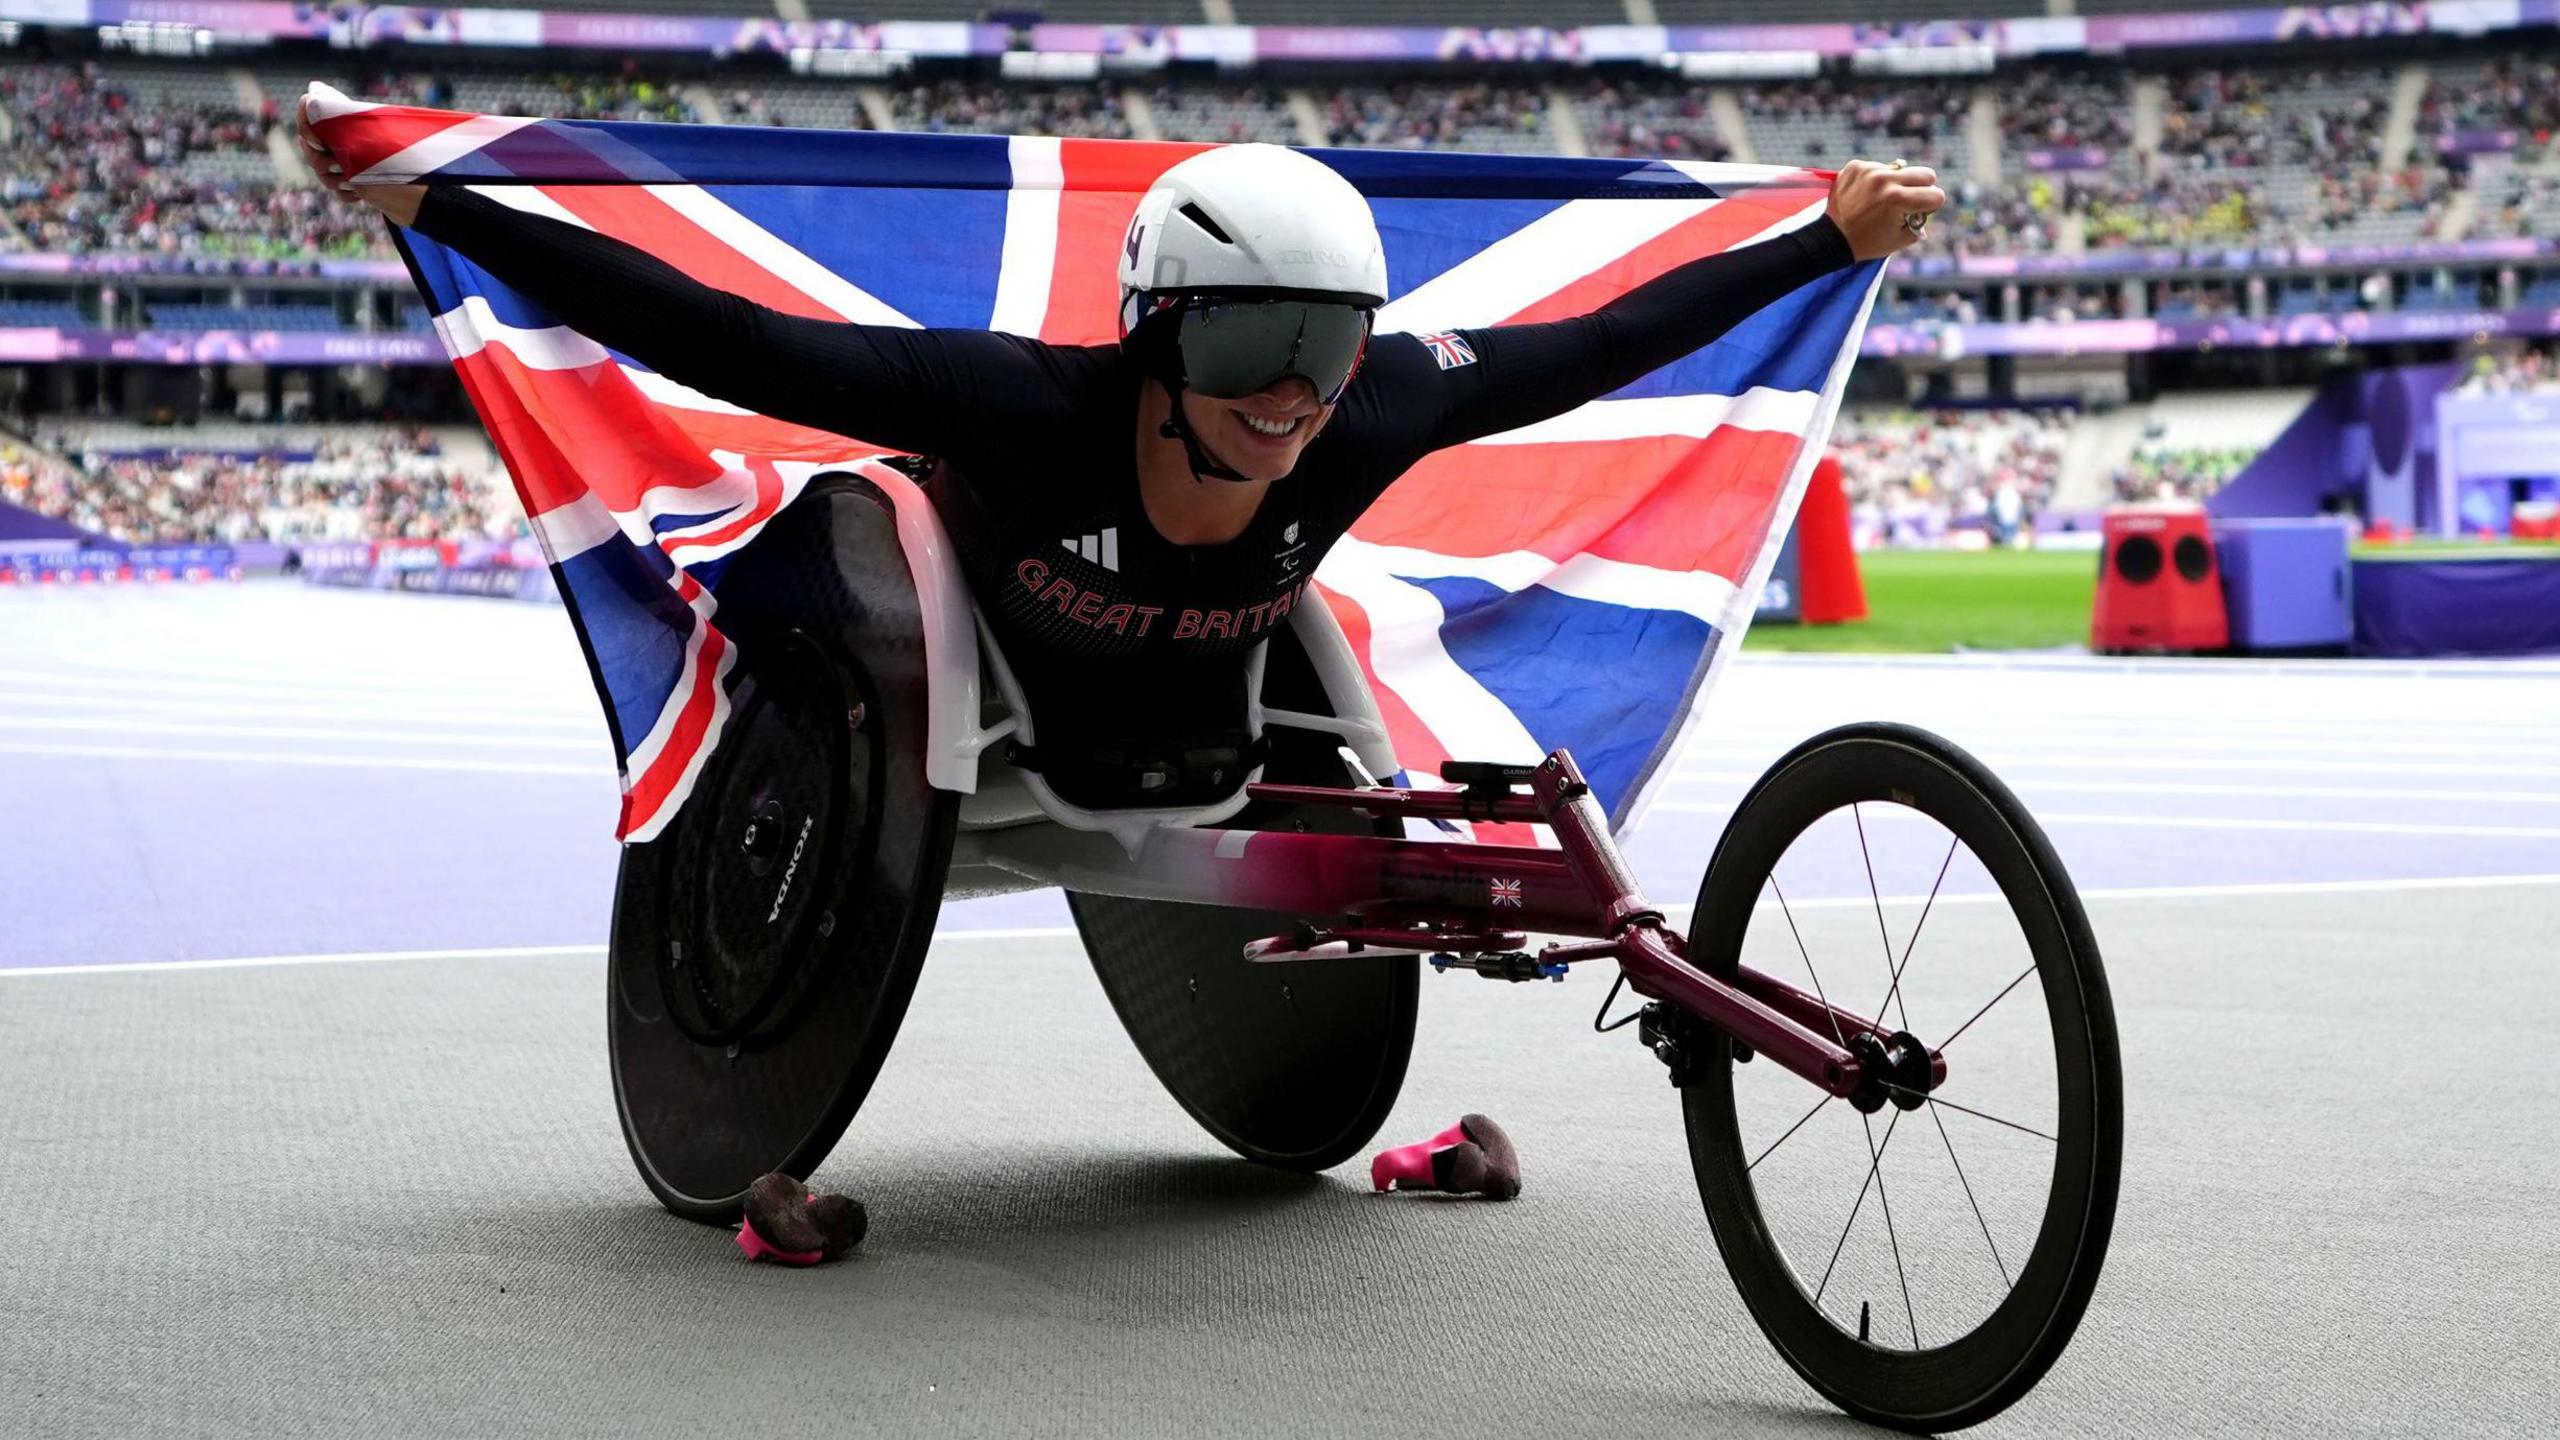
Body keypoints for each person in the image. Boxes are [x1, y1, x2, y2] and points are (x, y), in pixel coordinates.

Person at [298, 101, 1942, 802]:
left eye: (1327, 343)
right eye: (1248, 343)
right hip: (970, 699)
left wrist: (1825, 238)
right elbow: (729, 341)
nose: (1293, 392)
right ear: (1158, 333)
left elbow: (1601, 345)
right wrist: (448, 206)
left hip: (1205, 742)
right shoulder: (1017, 405)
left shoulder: (1373, 407)